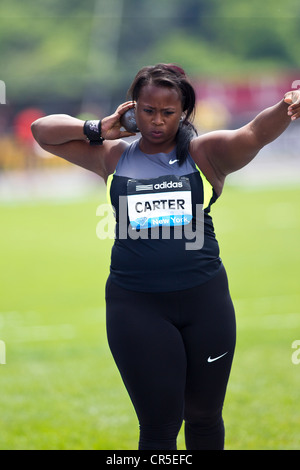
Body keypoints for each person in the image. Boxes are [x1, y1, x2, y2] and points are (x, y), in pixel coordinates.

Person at [31, 63, 300, 450]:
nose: (157, 121)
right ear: (132, 110)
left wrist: (287, 105)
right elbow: (42, 131)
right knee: (159, 425)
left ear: (184, 112)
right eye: (148, 111)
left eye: (168, 113)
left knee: (205, 417)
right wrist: (97, 128)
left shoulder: (206, 154)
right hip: (136, 306)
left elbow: (255, 133)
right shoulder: (112, 156)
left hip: (205, 302)